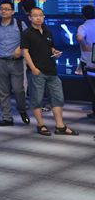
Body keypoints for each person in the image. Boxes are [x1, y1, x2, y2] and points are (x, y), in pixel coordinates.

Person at [22, 7, 78, 136]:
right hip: (37, 71)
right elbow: (25, 52)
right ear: (30, 18)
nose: (38, 18)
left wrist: (55, 52)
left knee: (58, 98)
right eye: (35, 15)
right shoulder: (27, 33)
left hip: (52, 70)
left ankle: (60, 126)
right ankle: (41, 125)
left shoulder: (47, 31)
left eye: (40, 15)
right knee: (37, 99)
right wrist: (33, 68)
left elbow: (50, 47)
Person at [0, 0, 30, 127]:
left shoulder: (20, 24)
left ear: (12, 11)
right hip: (0, 61)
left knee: (18, 89)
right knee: (3, 91)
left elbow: (28, 40)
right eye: (1, 9)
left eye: (7, 9)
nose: (3, 11)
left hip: (16, 62)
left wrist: (20, 48)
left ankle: (22, 109)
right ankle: (7, 117)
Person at [76, 5, 95, 119]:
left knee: (92, 88)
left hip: (88, 62)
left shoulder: (83, 26)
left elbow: (79, 38)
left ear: (83, 15)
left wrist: (85, 46)